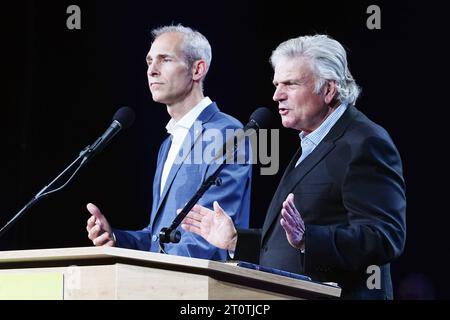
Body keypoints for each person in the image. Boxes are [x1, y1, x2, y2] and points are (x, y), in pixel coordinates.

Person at [181, 34, 406, 299]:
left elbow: (384, 237)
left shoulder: (364, 142)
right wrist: (235, 241)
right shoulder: (311, 141)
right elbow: (287, 246)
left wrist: (308, 240)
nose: (277, 95)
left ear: (328, 89)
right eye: (277, 84)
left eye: (290, 84)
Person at [86, 25, 251, 261]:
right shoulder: (168, 144)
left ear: (197, 69)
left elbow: (210, 237)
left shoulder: (226, 133)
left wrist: (148, 278)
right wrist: (116, 239)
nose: (152, 70)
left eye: (165, 60)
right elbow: (159, 238)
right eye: (149, 61)